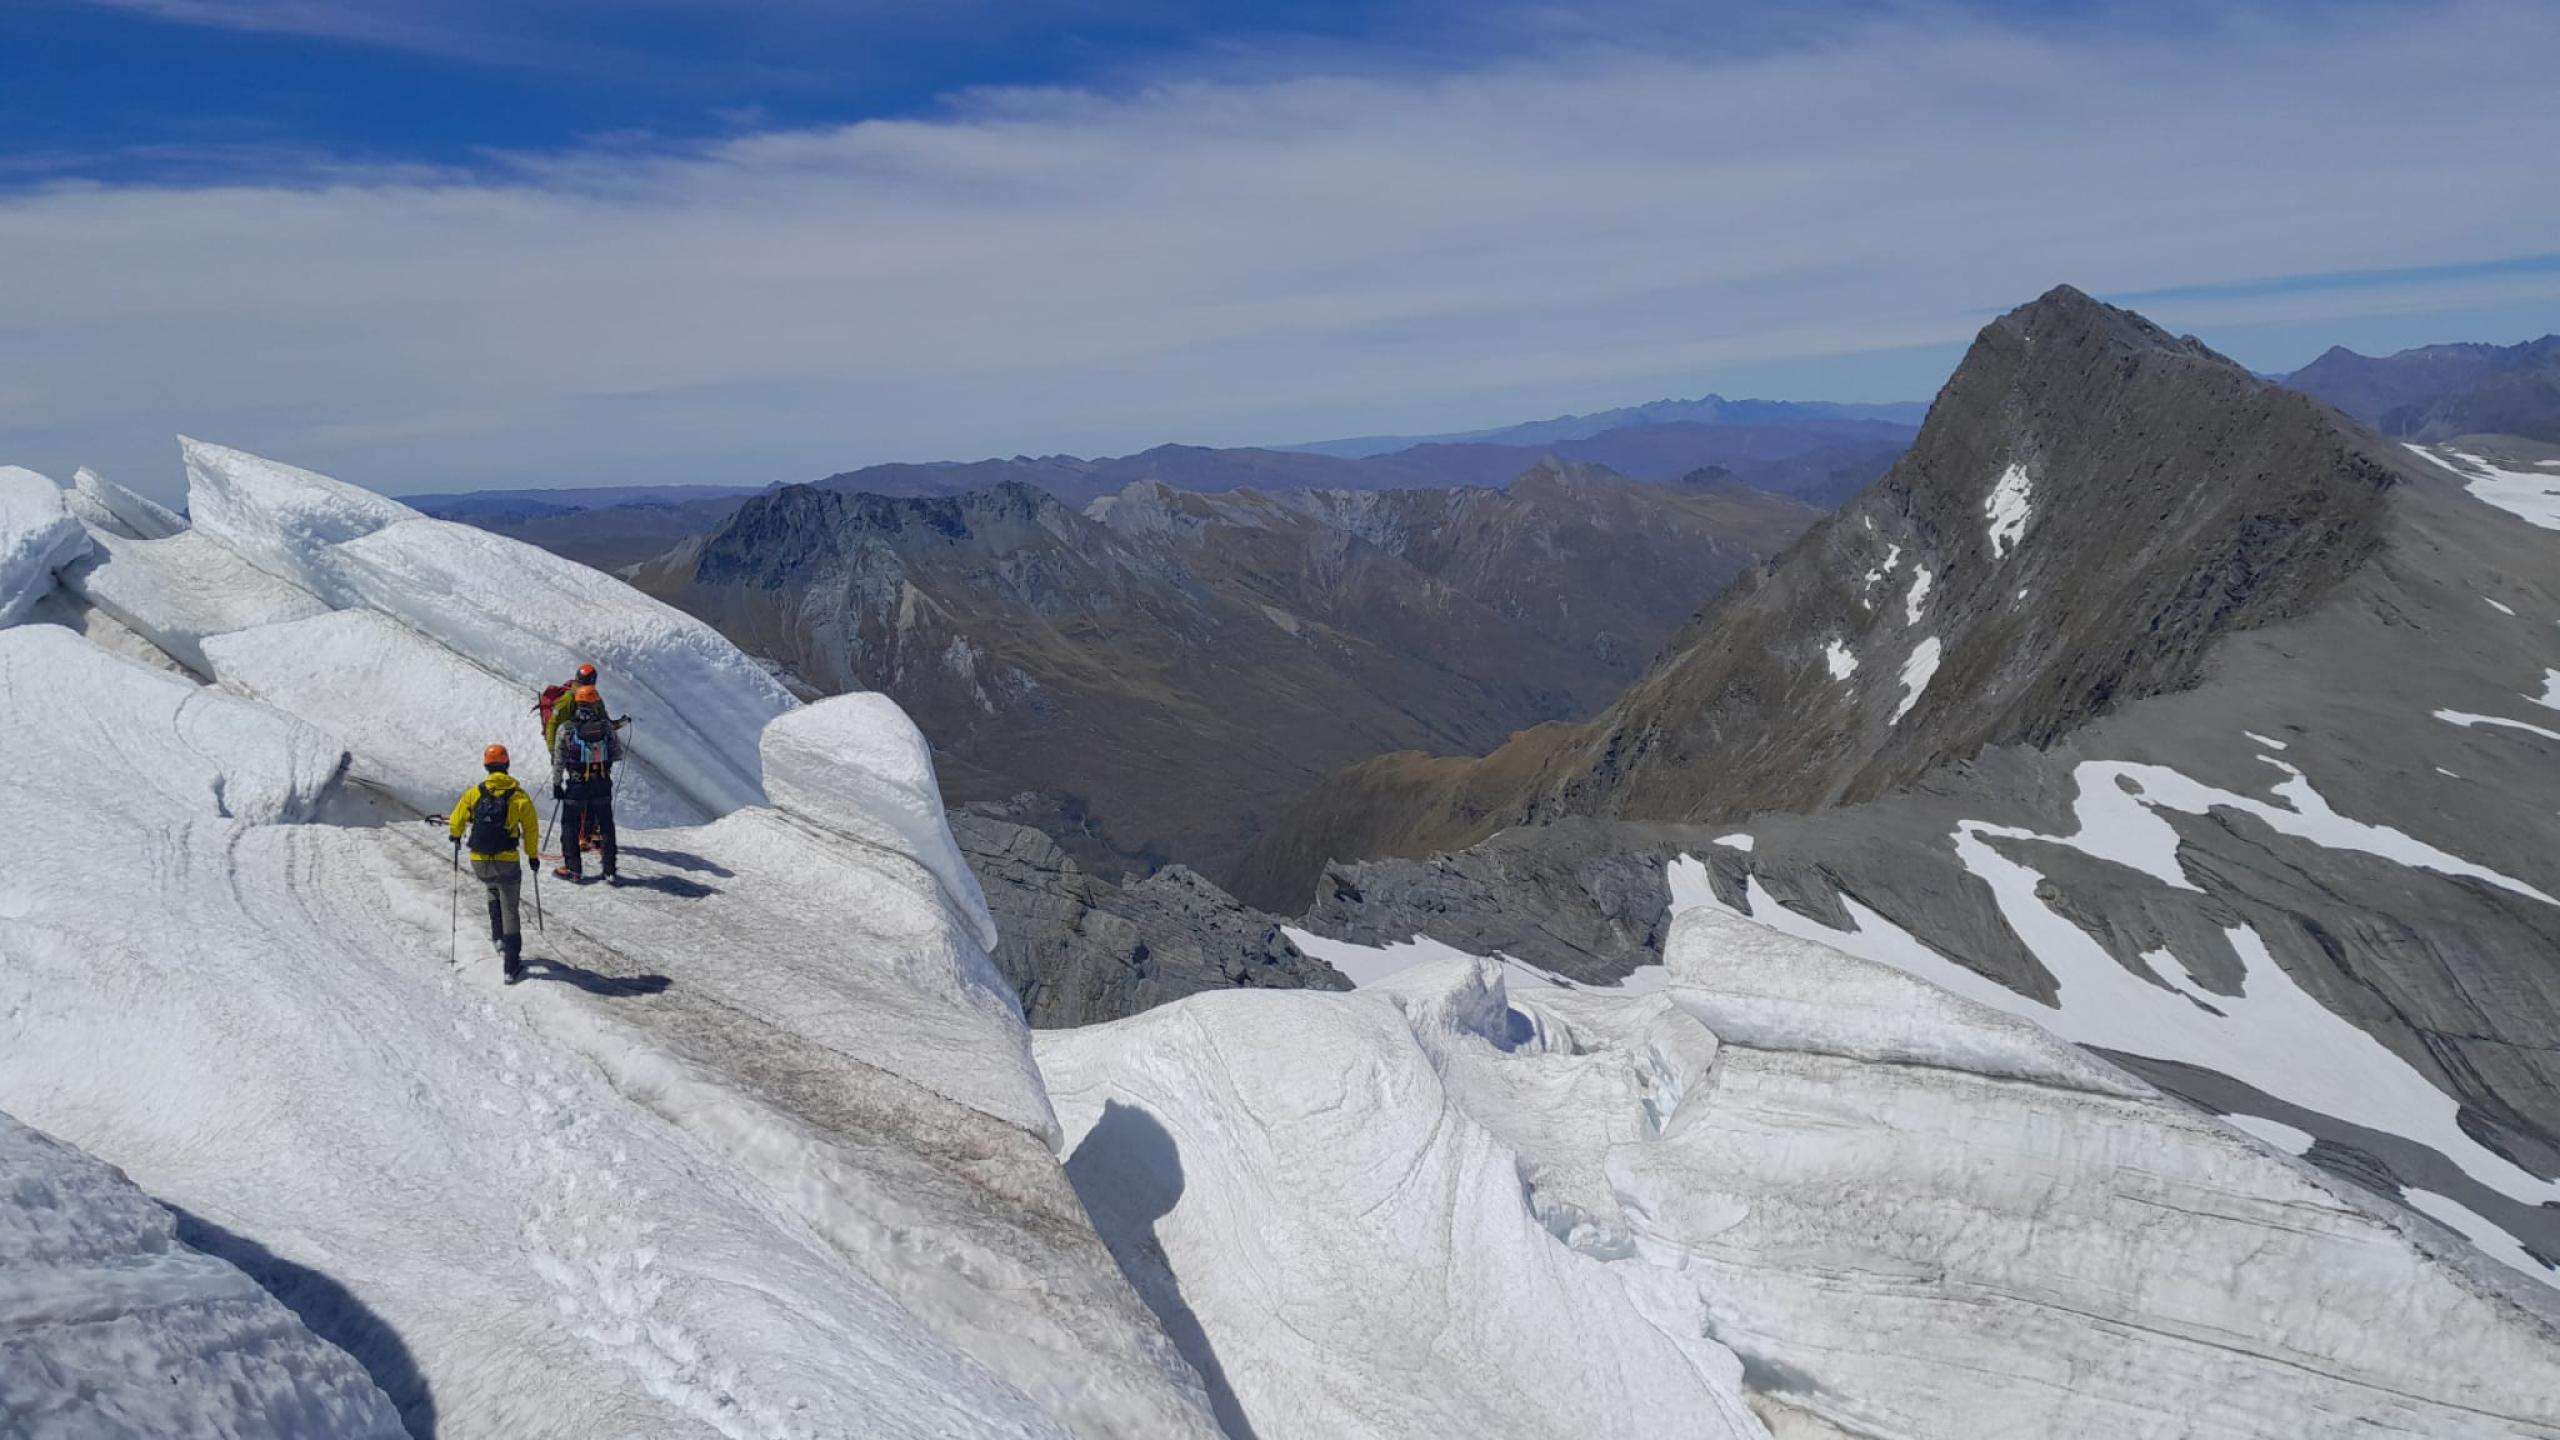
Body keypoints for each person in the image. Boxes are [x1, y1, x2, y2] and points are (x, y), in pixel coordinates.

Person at [448, 743, 541, 983]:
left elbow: (457, 818)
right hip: (507, 859)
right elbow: (531, 830)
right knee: (510, 907)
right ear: (507, 765)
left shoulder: (475, 793)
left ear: (486, 766)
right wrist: (532, 856)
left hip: (480, 859)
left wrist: (455, 836)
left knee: (491, 886)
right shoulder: (519, 796)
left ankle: (497, 938)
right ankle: (511, 966)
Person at [553, 684, 621, 884]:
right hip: (601, 782)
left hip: (577, 784)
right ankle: (609, 870)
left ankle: (573, 869)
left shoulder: (566, 728)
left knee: (570, 825)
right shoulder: (606, 727)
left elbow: (559, 759)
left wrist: (557, 784)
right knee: (606, 825)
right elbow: (617, 753)